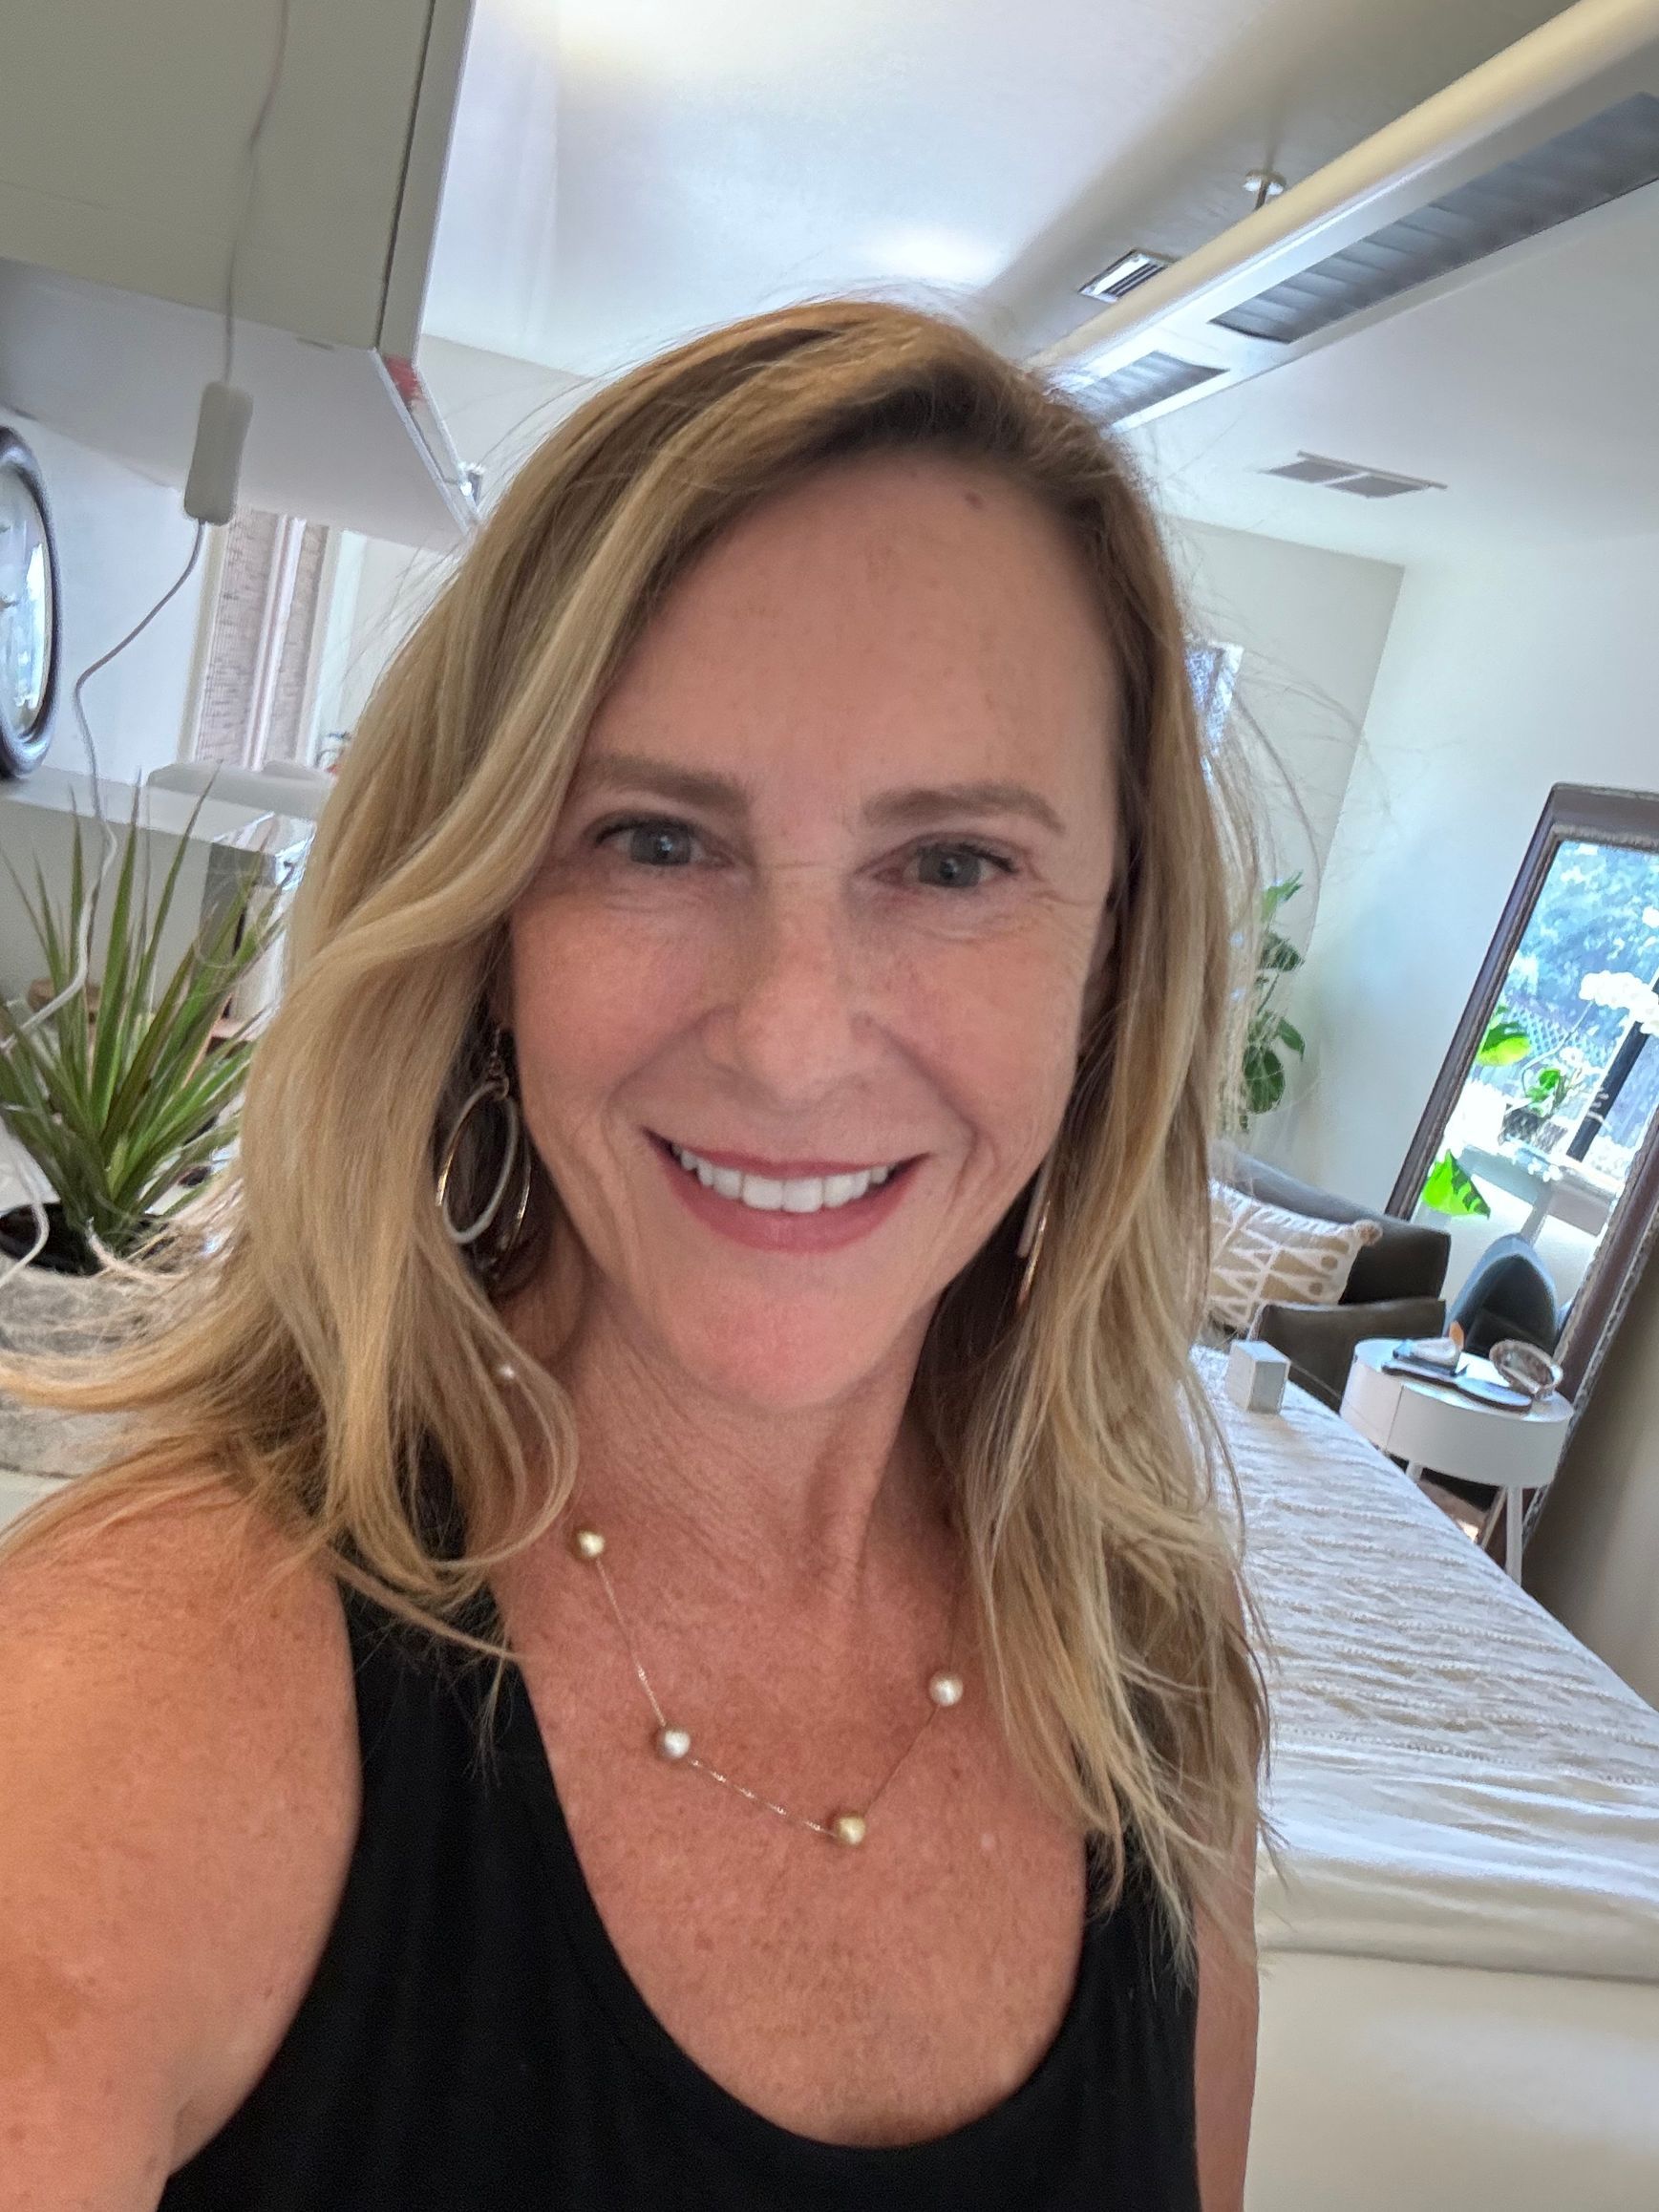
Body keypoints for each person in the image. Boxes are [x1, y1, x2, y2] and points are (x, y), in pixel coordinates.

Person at [0, 299, 1266, 2211]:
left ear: (1112, 962)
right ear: (491, 917)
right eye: (655, 841)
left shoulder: (1146, 1682)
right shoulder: (136, 1703)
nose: (787, 1033)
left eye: (949, 867)